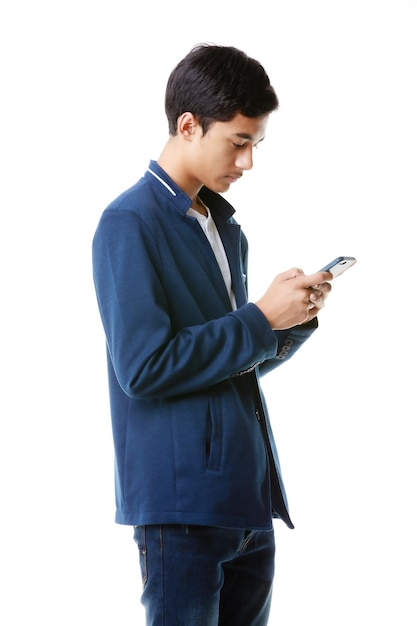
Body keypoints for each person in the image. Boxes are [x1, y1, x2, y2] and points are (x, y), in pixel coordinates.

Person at [92, 43, 332, 626]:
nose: (247, 162)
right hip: (181, 510)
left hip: (246, 501)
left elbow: (222, 365)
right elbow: (145, 369)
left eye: (256, 144)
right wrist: (259, 319)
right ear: (189, 125)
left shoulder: (224, 227)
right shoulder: (128, 223)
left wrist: (287, 323)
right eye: (240, 142)